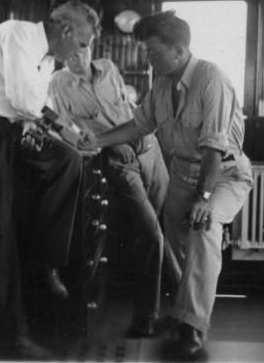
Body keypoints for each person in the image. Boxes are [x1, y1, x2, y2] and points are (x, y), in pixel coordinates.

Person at [80, 10, 253, 358]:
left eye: (153, 52)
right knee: (177, 248)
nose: (148, 58)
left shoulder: (212, 79)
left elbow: (214, 147)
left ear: (179, 50)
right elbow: (138, 125)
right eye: (146, 51)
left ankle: (193, 327)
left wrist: (204, 197)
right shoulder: (161, 83)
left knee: (204, 229)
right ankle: (182, 316)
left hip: (223, 175)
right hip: (182, 174)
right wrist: (97, 140)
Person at [0, 0, 98, 359]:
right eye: (81, 43)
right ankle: (11, 337)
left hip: (10, 128)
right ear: (65, 31)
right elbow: (22, 99)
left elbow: (30, 107)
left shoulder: (46, 59)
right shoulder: (16, 34)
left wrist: (42, 127)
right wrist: (64, 126)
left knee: (68, 160)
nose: (81, 53)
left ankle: (47, 261)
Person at [48, 45, 176, 338]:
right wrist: (96, 142)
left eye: (82, 46)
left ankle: (184, 311)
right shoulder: (58, 83)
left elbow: (128, 108)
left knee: (162, 229)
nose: (76, 54)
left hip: (149, 149)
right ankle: (146, 318)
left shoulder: (108, 67)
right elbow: (62, 126)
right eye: (71, 48)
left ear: (91, 44)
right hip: (118, 159)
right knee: (151, 234)